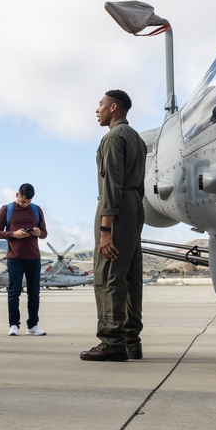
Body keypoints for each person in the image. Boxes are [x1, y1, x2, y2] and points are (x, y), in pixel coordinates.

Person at [81, 90, 147, 362]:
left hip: (116, 209)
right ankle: (131, 340)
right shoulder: (137, 139)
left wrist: (105, 230)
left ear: (113, 107)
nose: (97, 109)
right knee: (131, 277)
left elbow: (111, 184)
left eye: (101, 104)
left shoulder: (112, 138)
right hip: (134, 208)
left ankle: (111, 341)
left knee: (108, 275)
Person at [0, 183, 48, 336]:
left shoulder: (37, 210)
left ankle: (33, 326)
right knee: (14, 292)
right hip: (15, 259)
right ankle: (14, 325)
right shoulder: (6, 209)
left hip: (34, 258)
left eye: (28, 202)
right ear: (17, 195)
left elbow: (44, 233)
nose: (25, 204)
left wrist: (38, 233)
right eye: (23, 201)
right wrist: (13, 234)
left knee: (34, 293)